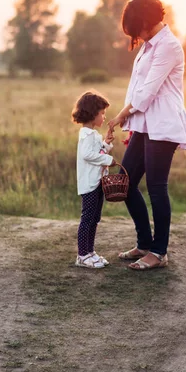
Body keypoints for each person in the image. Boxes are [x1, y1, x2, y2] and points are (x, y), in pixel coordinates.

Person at [108, 0, 186, 271]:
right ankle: (144, 242)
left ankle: (159, 251)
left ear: (145, 21)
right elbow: (137, 88)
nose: (134, 35)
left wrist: (122, 115)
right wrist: (133, 125)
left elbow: (148, 91)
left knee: (157, 187)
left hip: (164, 124)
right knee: (125, 182)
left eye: (135, 27)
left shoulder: (168, 46)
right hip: (144, 124)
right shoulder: (149, 45)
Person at [72, 91, 116, 268]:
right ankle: (82, 255)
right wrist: (108, 160)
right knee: (87, 218)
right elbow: (87, 154)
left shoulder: (94, 135)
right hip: (89, 184)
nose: (104, 117)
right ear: (92, 114)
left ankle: (90, 251)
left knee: (95, 218)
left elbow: (98, 153)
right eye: (102, 113)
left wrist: (106, 144)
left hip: (97, 183)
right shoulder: (86, 135)